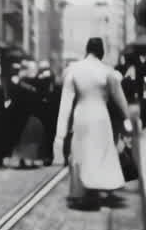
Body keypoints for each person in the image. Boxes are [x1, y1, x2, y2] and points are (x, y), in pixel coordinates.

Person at [54, 38, 132, 210]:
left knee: (82, 152)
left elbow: (65, 104)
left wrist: (60, 135)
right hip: (100, 115)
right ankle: (99, 186)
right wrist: (128, 120)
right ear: (101, 51)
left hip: (81, 115)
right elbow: (120, 99)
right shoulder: (107, 71)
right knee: (101, 151)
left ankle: (83, 190)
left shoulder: (73, 70)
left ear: (86, 49)